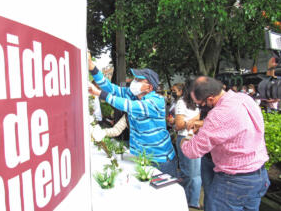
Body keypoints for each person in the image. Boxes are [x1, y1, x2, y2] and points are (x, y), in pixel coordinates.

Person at [180, 76, 270, 211]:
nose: (201, 107)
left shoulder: (219, 114)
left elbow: (192, 151)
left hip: (233, 182)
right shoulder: (244, 98)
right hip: (259, 175)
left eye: (200, 104)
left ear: (210, 98)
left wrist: (184, 139)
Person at [88, 53, 177, 177]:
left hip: (160, 160)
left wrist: (99, 93)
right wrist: (91, 66)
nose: (134, 82)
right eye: (135, 79)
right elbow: (110, 88)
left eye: (139, 80)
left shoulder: (156, 101)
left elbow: (127, 105)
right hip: (142, 158)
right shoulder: (133, 95)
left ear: (149, 87)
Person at [174, 80, 202, 210]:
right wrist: (195, 120)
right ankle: (182, 198)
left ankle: (193, 201)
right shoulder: (181, 102)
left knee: (196, 174)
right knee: (189, 173)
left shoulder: (200, 103)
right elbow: (179, 125)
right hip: (186, 138)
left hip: (198, 138)